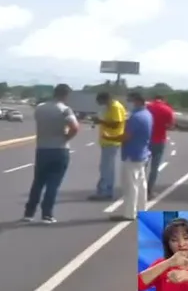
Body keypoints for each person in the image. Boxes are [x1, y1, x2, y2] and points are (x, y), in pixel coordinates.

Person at [22, 84, 78, 224]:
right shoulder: (65, 109)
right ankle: (47, 214)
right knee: (53, 184)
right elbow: (75, 127)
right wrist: (66, 137)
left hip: (42, 148)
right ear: (66, 95)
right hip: (59, 149)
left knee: (38, 183)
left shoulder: (40, 108)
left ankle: (29, 213)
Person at [110, 92, 152, 222]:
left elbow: (126, 136)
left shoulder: (136, 117)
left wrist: (112, 138)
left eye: (131, 100)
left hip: (132, 154)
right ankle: (141, 209)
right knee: (141, 184)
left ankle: (129, 213)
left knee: (130, 186)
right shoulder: (147, 114)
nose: (130, 103)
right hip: (142, 153)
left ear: (137, 101)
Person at [89, 92, 126, 200]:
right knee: (106, 167)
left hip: (111, 141)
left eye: (99, 101)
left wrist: (100, 121)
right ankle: (105, 190)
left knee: (106, 168)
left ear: (104, 99)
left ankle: (105, 191)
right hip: (108, 141)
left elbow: (116, 124)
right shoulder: (110, 107)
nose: (99, 104)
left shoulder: (115, 107)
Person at [145, 95, 174, 198]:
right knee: (154, 167)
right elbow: (170, 126)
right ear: (163, 100)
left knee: (143, 165)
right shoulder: (168, 109)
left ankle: (140, 187)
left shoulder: (148, 107)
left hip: (147, 139)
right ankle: (149, 190)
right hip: (160, 140)